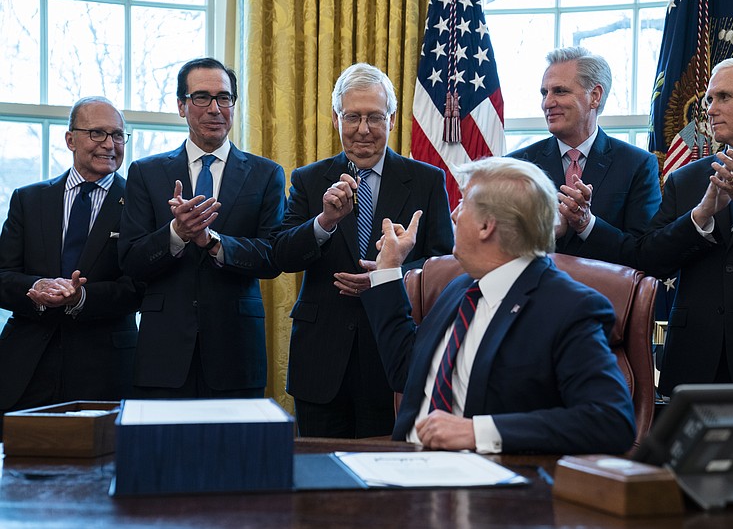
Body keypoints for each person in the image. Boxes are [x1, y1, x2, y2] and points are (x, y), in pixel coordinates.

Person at [359, 156, 635, 453]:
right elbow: (406, 371)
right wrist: (388, 269)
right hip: (403, 468)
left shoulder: (570, 308)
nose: (453, 215)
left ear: (486, 226)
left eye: (463, 203)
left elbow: (611, 421)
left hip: (487, 484)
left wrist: (477, 432)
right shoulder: (460, 288)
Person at [560, 56, 733, 396]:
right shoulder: (687, 180)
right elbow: (647, 258)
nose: (710, 109)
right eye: (709, 99)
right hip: (696, 362)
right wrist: (699, 218)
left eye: (724, 97)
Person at [272, 63, 454, 438]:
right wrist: (324, 222)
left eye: (375, 117)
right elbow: (281, 255)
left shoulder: (427, 180)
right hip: (321, 361)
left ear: (392, 119)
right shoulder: (308, 179)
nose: (363, 129)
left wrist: (389, 275)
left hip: (390, 354)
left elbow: (445, 263)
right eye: (352, 116)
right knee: (317, 480)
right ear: (336, 119)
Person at [118, 57, 286, 398]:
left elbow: (273, 257)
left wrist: (213, 242)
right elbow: (130, 260)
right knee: (161, 452)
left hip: (236, 352)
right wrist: (177, 234)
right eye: (201, 97)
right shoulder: (146, 173)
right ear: (181, 106)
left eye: (224, 98)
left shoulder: (266, 174)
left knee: (235, 452)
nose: (214, 108)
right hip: (163, 355)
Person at [0, 97, 142, 436]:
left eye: (118, 135)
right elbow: (3, 276)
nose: (110, 145)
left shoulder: (139, 205)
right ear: (70, 139)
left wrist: (80, 298)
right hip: (25, 368)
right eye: (97, 133)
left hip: (105, 370)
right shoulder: (28, 199)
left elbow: (139, 287)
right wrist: (34, 290)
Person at [507, 46, 660, 255]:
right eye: (545, 92)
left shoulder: (637, 165)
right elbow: (499, 247)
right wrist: (545, 234)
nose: (547, 103)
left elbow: (644, 253)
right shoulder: (517, 166)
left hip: (605, 287)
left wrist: (587, 224)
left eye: (560, 91)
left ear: (595, 96)